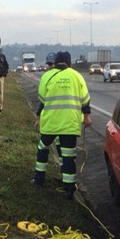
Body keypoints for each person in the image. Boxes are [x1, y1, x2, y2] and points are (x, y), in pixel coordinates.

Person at [33, 51, 91, 199]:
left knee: (42, 149)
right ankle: (69, 190)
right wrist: (87, 116)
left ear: (57, 61)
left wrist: (38, 117)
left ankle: (38, 180)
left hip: (50, 123)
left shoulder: (48, 76)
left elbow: (42, 98)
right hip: (70, 124)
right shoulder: (77, 76)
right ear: (69, 62)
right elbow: (85, 99)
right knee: (68, 156)